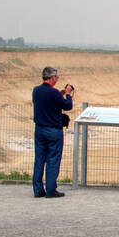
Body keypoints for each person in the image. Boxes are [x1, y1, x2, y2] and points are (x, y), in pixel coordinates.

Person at [31, 66, 74, 198]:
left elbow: (47, 101)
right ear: (52, 77)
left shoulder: (36, 91)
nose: (57, 78)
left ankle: (38, 190)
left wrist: (59, 94)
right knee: (53, 160)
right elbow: (67, 106)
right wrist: (67, 94)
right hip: (54, 131)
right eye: (57, 76)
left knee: (39, 159)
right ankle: (50, 190)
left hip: (39, 129)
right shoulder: (54, 93)